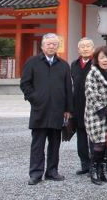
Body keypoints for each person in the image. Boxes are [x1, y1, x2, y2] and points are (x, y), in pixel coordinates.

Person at [19, 33, 73, 185]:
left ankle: (52, 171)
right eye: (48, 44)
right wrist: (35, 99)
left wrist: (68, 109)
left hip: (58, 109)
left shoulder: (63, 65)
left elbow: (68, 88)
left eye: (54, 44)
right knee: (38, 143)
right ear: (42, 46)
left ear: (57, 47)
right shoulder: (33, 62)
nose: (51, 46)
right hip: (39, 109)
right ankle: (36, 173)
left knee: (55, 143)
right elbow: (25, 84)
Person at [84, 45, 107, 185]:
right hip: (96, 113)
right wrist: (103, 110)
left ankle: (104, 170)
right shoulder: (92, 73)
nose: (105, 60)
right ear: (97, 60)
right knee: (98, 143)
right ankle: (93, 170)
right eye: (102, 58)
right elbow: (91, 93)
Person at [70, 37, 95, 176]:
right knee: (81, 137)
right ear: (78, 49)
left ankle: (94, 165)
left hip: (92, 106)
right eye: (82, 46)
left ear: (93, 49)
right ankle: (84, 164)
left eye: (88, 46)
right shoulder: (73, 64)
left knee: (93, 138)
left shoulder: (96, 63)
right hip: (78, 105)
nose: (85, 48)